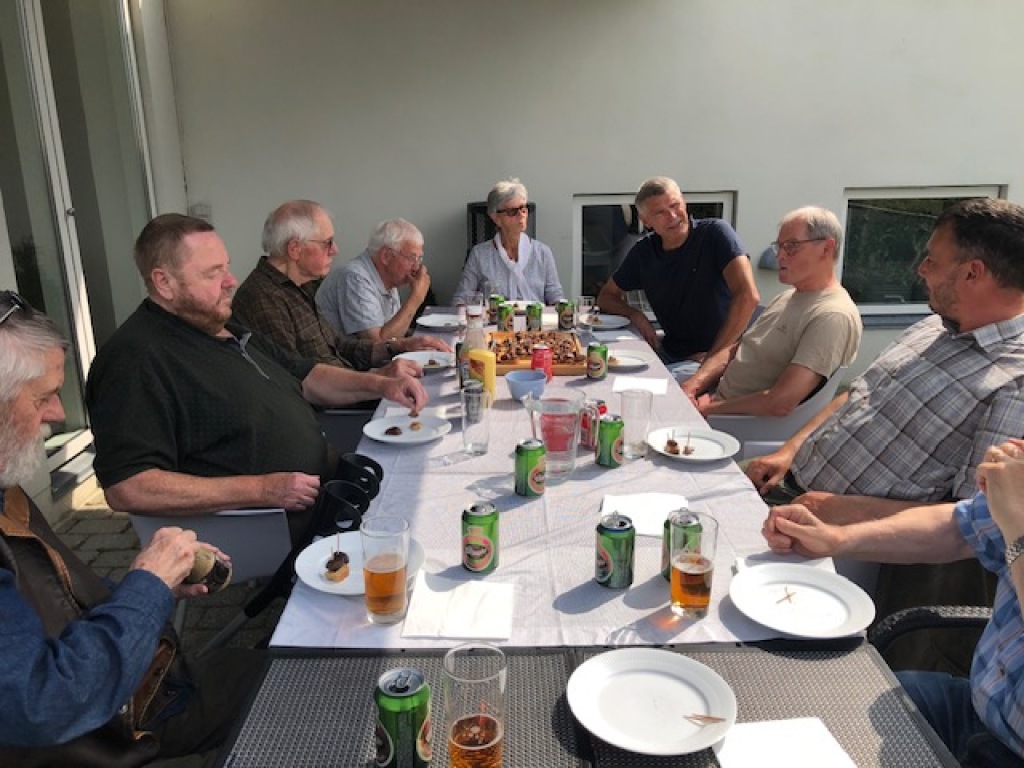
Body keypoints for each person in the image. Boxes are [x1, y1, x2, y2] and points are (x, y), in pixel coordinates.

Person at [0, 290, 257, 767]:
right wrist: (148, 585)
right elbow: (45, 703)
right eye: (42, 397)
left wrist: (153, 585)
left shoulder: (5, 484)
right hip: (102, 734)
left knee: (273, 665)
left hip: (130, 689)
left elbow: (60, 597)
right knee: (288, 681)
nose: (58, 414)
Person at [86, 214, 428, 539]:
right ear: (164, 282)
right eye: (213, 273)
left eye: (227, 266)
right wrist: (262, 489)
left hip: (333, 491)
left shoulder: (221, 325)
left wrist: (383, 384)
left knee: (425, 487)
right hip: (276, 528)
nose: (231, 281)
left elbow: (308, 377)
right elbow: (128, 486)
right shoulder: (135, 359)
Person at [745, 197, 1024, 517]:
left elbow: (972, 519)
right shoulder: (933, 327)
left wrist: (837, 509)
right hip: (787, 480)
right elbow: (857, 394)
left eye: (932, 260)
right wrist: (789, 451)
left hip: (831, 529)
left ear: (973, 273)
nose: (921, 269)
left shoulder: (1014, 383)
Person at [762, 438, 1024, 766]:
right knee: (799, 710)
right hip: (980, 708)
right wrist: (836, 539)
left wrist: (1016, 523)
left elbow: (1010, 528)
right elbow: (961, 528)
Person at [684, 206, 862, 416]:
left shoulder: (832, 316)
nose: (780, 256)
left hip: (738, 424)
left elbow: (781, 402)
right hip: (715, 401)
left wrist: (706, 409)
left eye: (791, 246)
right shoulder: (788, 296)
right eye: (780, 246)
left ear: (826, 248)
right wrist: (692, 386)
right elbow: (738, 350)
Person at [232, 201, 448, 370]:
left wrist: (398, 346)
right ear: (295, 249)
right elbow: (302, 378)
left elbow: (339, 346)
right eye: (327, 243)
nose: (335, 250)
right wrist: (379, 381)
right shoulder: (263, 298)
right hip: (330, 407)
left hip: (349, 382)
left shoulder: (303, 286)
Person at [596, 176, 760, 378]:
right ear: (646, 221)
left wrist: (713, 358)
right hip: (670, 352)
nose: (673, 216)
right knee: (602, 368)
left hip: (721, 358)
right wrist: (635, 315)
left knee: (644, 385)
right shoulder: (644, 252)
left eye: (675, 205)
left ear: (684, 202)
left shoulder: (715, 234)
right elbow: (606, 296)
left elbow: (748, 297)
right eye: (660, 212)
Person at [451, 178, 565, 305]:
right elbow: (461, 298)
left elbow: (556, 296)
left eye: (523, 209)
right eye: (512, 211)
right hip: (495, 317)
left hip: (534, 316)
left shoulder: (543, 253)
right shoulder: (479, 254)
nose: (521, 215)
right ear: (496, 218)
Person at [316, 218, 432, 340]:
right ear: (386, 256)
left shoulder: (389, 277)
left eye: (419, 258)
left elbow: (394, 332)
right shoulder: (354, 278)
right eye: (411, 258)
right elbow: (378, 343)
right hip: (339, 352)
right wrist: (415, 298)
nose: (416, 267)